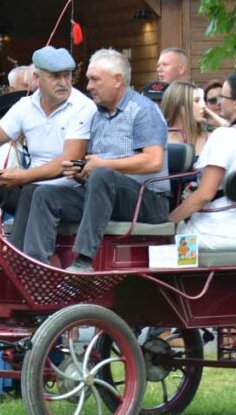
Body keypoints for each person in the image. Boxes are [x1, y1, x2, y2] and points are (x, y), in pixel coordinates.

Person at [22, 48, 169, 269]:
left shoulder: (142, 110)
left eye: (94, 80)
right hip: (106, 193)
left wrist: (102, 166)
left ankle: (83, 260)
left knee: (103, 174)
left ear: (117, 80)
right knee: (44, 193)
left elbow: (153, 161)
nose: (88, 86)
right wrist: (82, 171)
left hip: (148, 200)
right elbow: (97, 172)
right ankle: (35, 269)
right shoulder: (97, 114)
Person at [0, 46, 96, 250]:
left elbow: (69, 161)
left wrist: (24, 176)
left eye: (67, 75)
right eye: (55, 77)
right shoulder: (24, 105)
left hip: (67, 195)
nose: (63, 83)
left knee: (32, 191)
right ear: (37, 77)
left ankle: (18, 259)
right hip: (30, 188)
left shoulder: (83, 106)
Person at [169, 71, 236, 251]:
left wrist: (170, 220)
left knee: (164, 241)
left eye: (222, 97)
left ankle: (179, 280)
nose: (218, 103)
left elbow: (204, 195)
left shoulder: (223, 137)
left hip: (213, 234)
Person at [161, 81, 209, 154]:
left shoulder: (209, 138)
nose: (203, 106)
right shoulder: (160, 141)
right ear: (179, 105)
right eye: (196, 101)